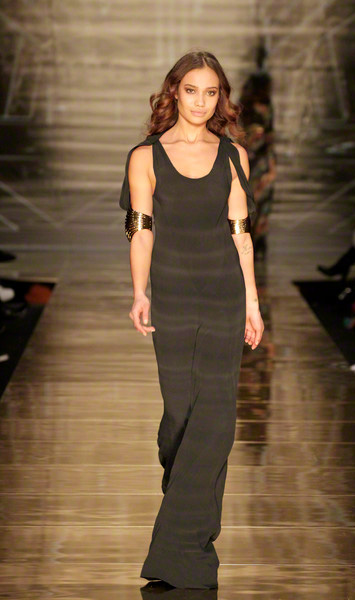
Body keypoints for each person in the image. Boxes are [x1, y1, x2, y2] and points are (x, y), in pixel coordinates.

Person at [120, 50, 264, 590]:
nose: (201, 102)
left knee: (217, 418)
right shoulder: (145, 157)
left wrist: (252, 303)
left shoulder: (233, 156)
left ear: (219, 97)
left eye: (211, 92)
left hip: (224, 293)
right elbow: (141, 229)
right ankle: (187, 505)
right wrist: (140, 292)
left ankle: (184, 549)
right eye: (191, 90)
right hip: (174, 296)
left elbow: (241, 235)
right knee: (180, 421)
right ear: (173, 92)